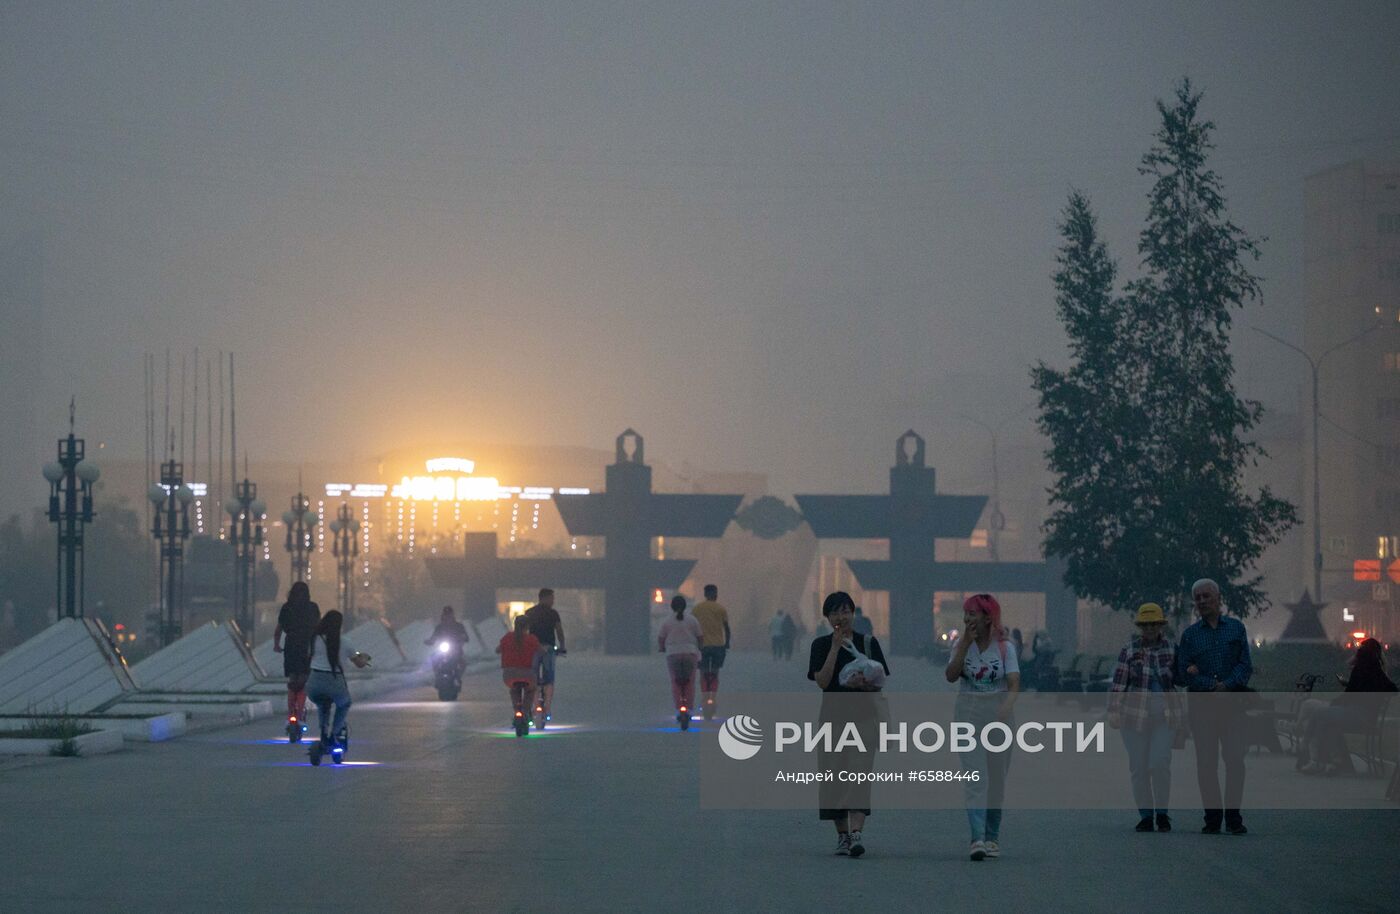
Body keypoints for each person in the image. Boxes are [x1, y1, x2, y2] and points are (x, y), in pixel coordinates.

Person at [808, 590, 890, 858]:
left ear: (853, 613)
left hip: (864, 717)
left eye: (846, 611)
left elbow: (880, 681)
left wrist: (864, 683)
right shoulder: (820, 646)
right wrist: (834, 647)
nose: (841, 616)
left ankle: (856, 834)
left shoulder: (868, 643)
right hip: (832, 719)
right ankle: (842, 835)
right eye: (835, 612)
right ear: (827, 617)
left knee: (859, 774)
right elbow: (822, 681)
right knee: (833, 777)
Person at [944, 593, 1019, 861]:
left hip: (999, 716)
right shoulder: (961, 646)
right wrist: (964, 643)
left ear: (989, 617)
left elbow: (1013, 684)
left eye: (973, 614)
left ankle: (992, 837)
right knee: (977, 778)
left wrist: (1005, 708)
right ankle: (977, 838)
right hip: (968, 713)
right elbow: (951, 676)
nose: (968, 619)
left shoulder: (1004, 648)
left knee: (996, 780)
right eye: (966, 614)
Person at [1175, 578, 1252, 836]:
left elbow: (1245, 665)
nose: (1202, 601)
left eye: (1207, 596)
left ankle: (1233, 817)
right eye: (1198, 598)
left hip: (1232, 706)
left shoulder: (1236, 629)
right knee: (1206, 764)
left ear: (1219, 599)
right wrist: (1210, 685)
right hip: (1203, 708)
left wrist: (1227, 685)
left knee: (1235, 760)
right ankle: (1212, 817)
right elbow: (1184, 672)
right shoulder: (1190, 636)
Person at [1107, 603, 1185, 832]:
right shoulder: (1130, 650)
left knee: (1159, 764)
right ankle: (1145, 815)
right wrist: (1113, 710)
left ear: (1160, 625)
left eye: (1154, 624)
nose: (1150, 628)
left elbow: (1180, 680)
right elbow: (1119, 682)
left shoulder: (1172, 649)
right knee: (1139, 768)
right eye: (1146, 624)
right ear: (1141, 626)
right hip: (1133, 717)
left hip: (1165, 714)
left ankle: (1162, 813)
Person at [1296, 638, 1397, 774]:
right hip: (1363, 716)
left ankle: (1307, 747)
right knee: (1325, 721)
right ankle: (1327, 761)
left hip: (1357, 716)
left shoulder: (1360, 670)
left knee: (1319, 713)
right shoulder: (1376, 671)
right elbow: (1392, 689)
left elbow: (1349, 696)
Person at [305, 610, 370, 752]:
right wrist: (364, 658)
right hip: (334, 681)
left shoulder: (314, 639)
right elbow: (359, 663)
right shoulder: (346, 642)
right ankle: (335, 733)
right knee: (344, 704)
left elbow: (309, 656)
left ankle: (323, 732)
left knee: (323, 704)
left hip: (314, 683)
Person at [272, 582, 321, 738]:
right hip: (306, 647)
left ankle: (290, 716)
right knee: (303, 682)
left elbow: (278, 630)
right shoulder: (313, 608)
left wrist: (276, 645)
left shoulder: (287, 608)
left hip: (291, 645)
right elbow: (318, 629)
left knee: (292, 682)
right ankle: (299, 715)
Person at [659, 595, 704, 726]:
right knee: (690, 682)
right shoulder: (692, 620)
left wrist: (662, 648)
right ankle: (688, 708)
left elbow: (661, 638)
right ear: (685, 606)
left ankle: (680, 708)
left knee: (676, 682)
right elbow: (700, 637)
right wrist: (700, 648)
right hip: (690, 653)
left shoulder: (667, 621)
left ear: (672, 606)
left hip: (673, 655)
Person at [523, 588, 567, 721]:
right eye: (552, 598)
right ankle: (547, 707)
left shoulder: (529, 613)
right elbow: (559, 631)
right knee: (549, 678)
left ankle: (535, 705)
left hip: (532, 649)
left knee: (533, 678)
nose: (553, 601)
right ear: (545, 598)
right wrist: (562, 646)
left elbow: (524, 631)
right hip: (548, 649)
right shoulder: (553, 614)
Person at [497, 615, 544, 728]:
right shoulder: (531, 639)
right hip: (527, 674)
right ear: (527, 626)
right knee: (530, 690)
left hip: (509, 675)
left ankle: (517, 711)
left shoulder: (507, 637)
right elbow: (541, 651)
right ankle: (526, 711)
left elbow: (498, 650)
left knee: (514, 689)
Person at [692, 584, 731, 718]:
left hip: (702, 646)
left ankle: (704, 696)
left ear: (705, 594)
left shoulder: (697, 609)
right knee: (714, 672)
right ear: (715, 594)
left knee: (703, 673)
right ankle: (712, 697)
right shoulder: (721, 609)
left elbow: (693, 626)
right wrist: (727, 643)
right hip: (717, 646)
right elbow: (726, 628)